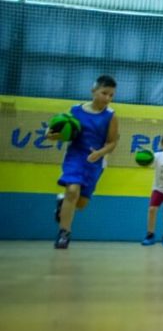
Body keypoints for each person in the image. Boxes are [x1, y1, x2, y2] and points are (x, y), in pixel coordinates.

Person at [50, 75, 120, 249]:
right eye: (104, 93)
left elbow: (112, 142)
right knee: (72, 190)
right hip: (75, 156)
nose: (107, 98)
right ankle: (64, 233)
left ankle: (62, 202)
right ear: (93, 90)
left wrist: (100, 153)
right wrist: (50, 134)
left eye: (111, 95)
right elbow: (57, 130)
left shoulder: (110, 116)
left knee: (80, 203)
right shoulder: (75, 111)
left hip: (95, 162)